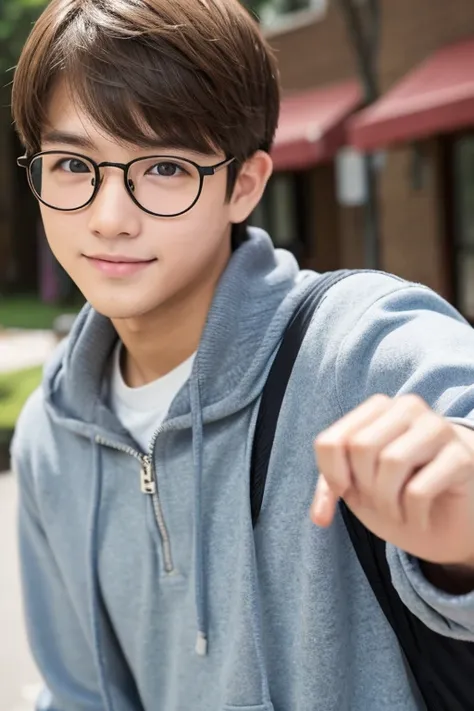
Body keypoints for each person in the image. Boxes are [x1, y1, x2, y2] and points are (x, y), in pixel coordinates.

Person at [10, 1, 474, 709]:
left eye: (163, 166)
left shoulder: (360, 346)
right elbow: (83, 693)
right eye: (74, 163)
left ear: (246, 184)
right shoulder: (52, 433)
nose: (108, 215)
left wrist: (462, 530)